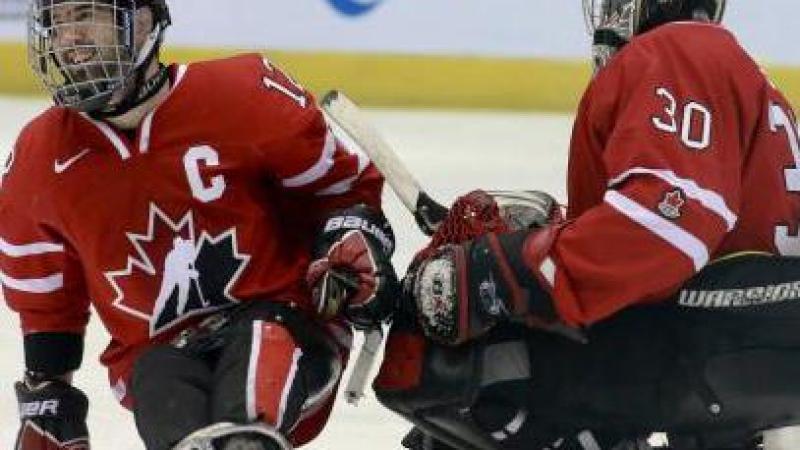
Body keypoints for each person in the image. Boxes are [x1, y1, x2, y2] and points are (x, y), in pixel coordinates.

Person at [387, 0, 800, 448]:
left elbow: (668, 224)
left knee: (476, 375)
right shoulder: (733, 68)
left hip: (709, 340)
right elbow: (691, 225)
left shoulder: (678, 50)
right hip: (745, 337)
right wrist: (547, 235)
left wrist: (510, 269)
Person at [2, 1, 399, 449]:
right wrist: (49, 396)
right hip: (162, 352)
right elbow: (46, 300)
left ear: (145, 22)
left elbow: (343, 191)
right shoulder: (39, 158)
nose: (69, 38)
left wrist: (352, 240)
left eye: (87, 15)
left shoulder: (242, 94)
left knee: (261, 339)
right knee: (154, 376)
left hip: (291, 328)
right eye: (58, 23)